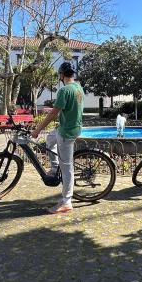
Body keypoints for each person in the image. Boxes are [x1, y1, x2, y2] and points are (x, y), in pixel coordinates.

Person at [32, 61, 85, 214]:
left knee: (67, 167)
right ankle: (54, 168)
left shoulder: (64, 90)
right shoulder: (79, 88)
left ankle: (67, 201)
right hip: (69, 127)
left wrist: (37, 129)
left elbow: (54, 113)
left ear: (62, 75)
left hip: (67, 132)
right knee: (49, 138)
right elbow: (70, 108)